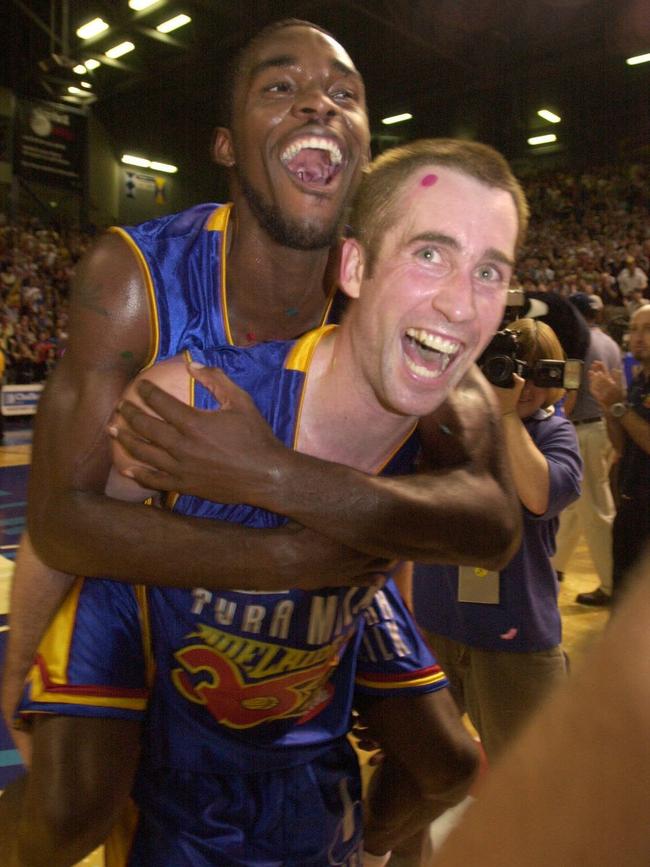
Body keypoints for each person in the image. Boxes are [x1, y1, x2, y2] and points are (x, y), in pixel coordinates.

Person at [0, 137, 526, 866]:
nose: (460, 303)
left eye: (490, 271)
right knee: (70, 808)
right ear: (355, 266)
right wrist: (19, 669)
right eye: (429, 254)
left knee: (450, 762)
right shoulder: (200, 395)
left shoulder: (452, 399)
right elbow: (63, 524)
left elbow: (460, 526)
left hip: (332, 596)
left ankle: (371, 851)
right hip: (153, 596)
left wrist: (269, 474)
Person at [409, 318, 582, 760]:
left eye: (537, 373)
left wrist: (504, 414)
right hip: (437, 623)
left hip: (516, 634)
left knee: (532, 780)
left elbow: (541, 496)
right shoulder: (450, 424)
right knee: (420, 775)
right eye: (508, 368)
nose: (522, 385)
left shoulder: (554, 432)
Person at [424, 551, 650, 867]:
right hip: (428, 617)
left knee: (548, 798)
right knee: (412, 784)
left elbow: (539, 505)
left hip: (515, 633)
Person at [552, 292, 621, 606]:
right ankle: (555, 567)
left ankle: (611, 584)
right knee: (573, 509)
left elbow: (571, 393)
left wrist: (554, 428)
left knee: (595, 510)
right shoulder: (609, 342)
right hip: (601, 427)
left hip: (581, 430)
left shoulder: (577, 342)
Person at [589, 304, 650, 603]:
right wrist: (609, 409)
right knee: (625, 599)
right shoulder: (640, 381)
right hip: (632, 503)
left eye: (648, 329)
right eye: (635, 329)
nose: (639, 337)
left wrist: (619, 407)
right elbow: (623, 446)